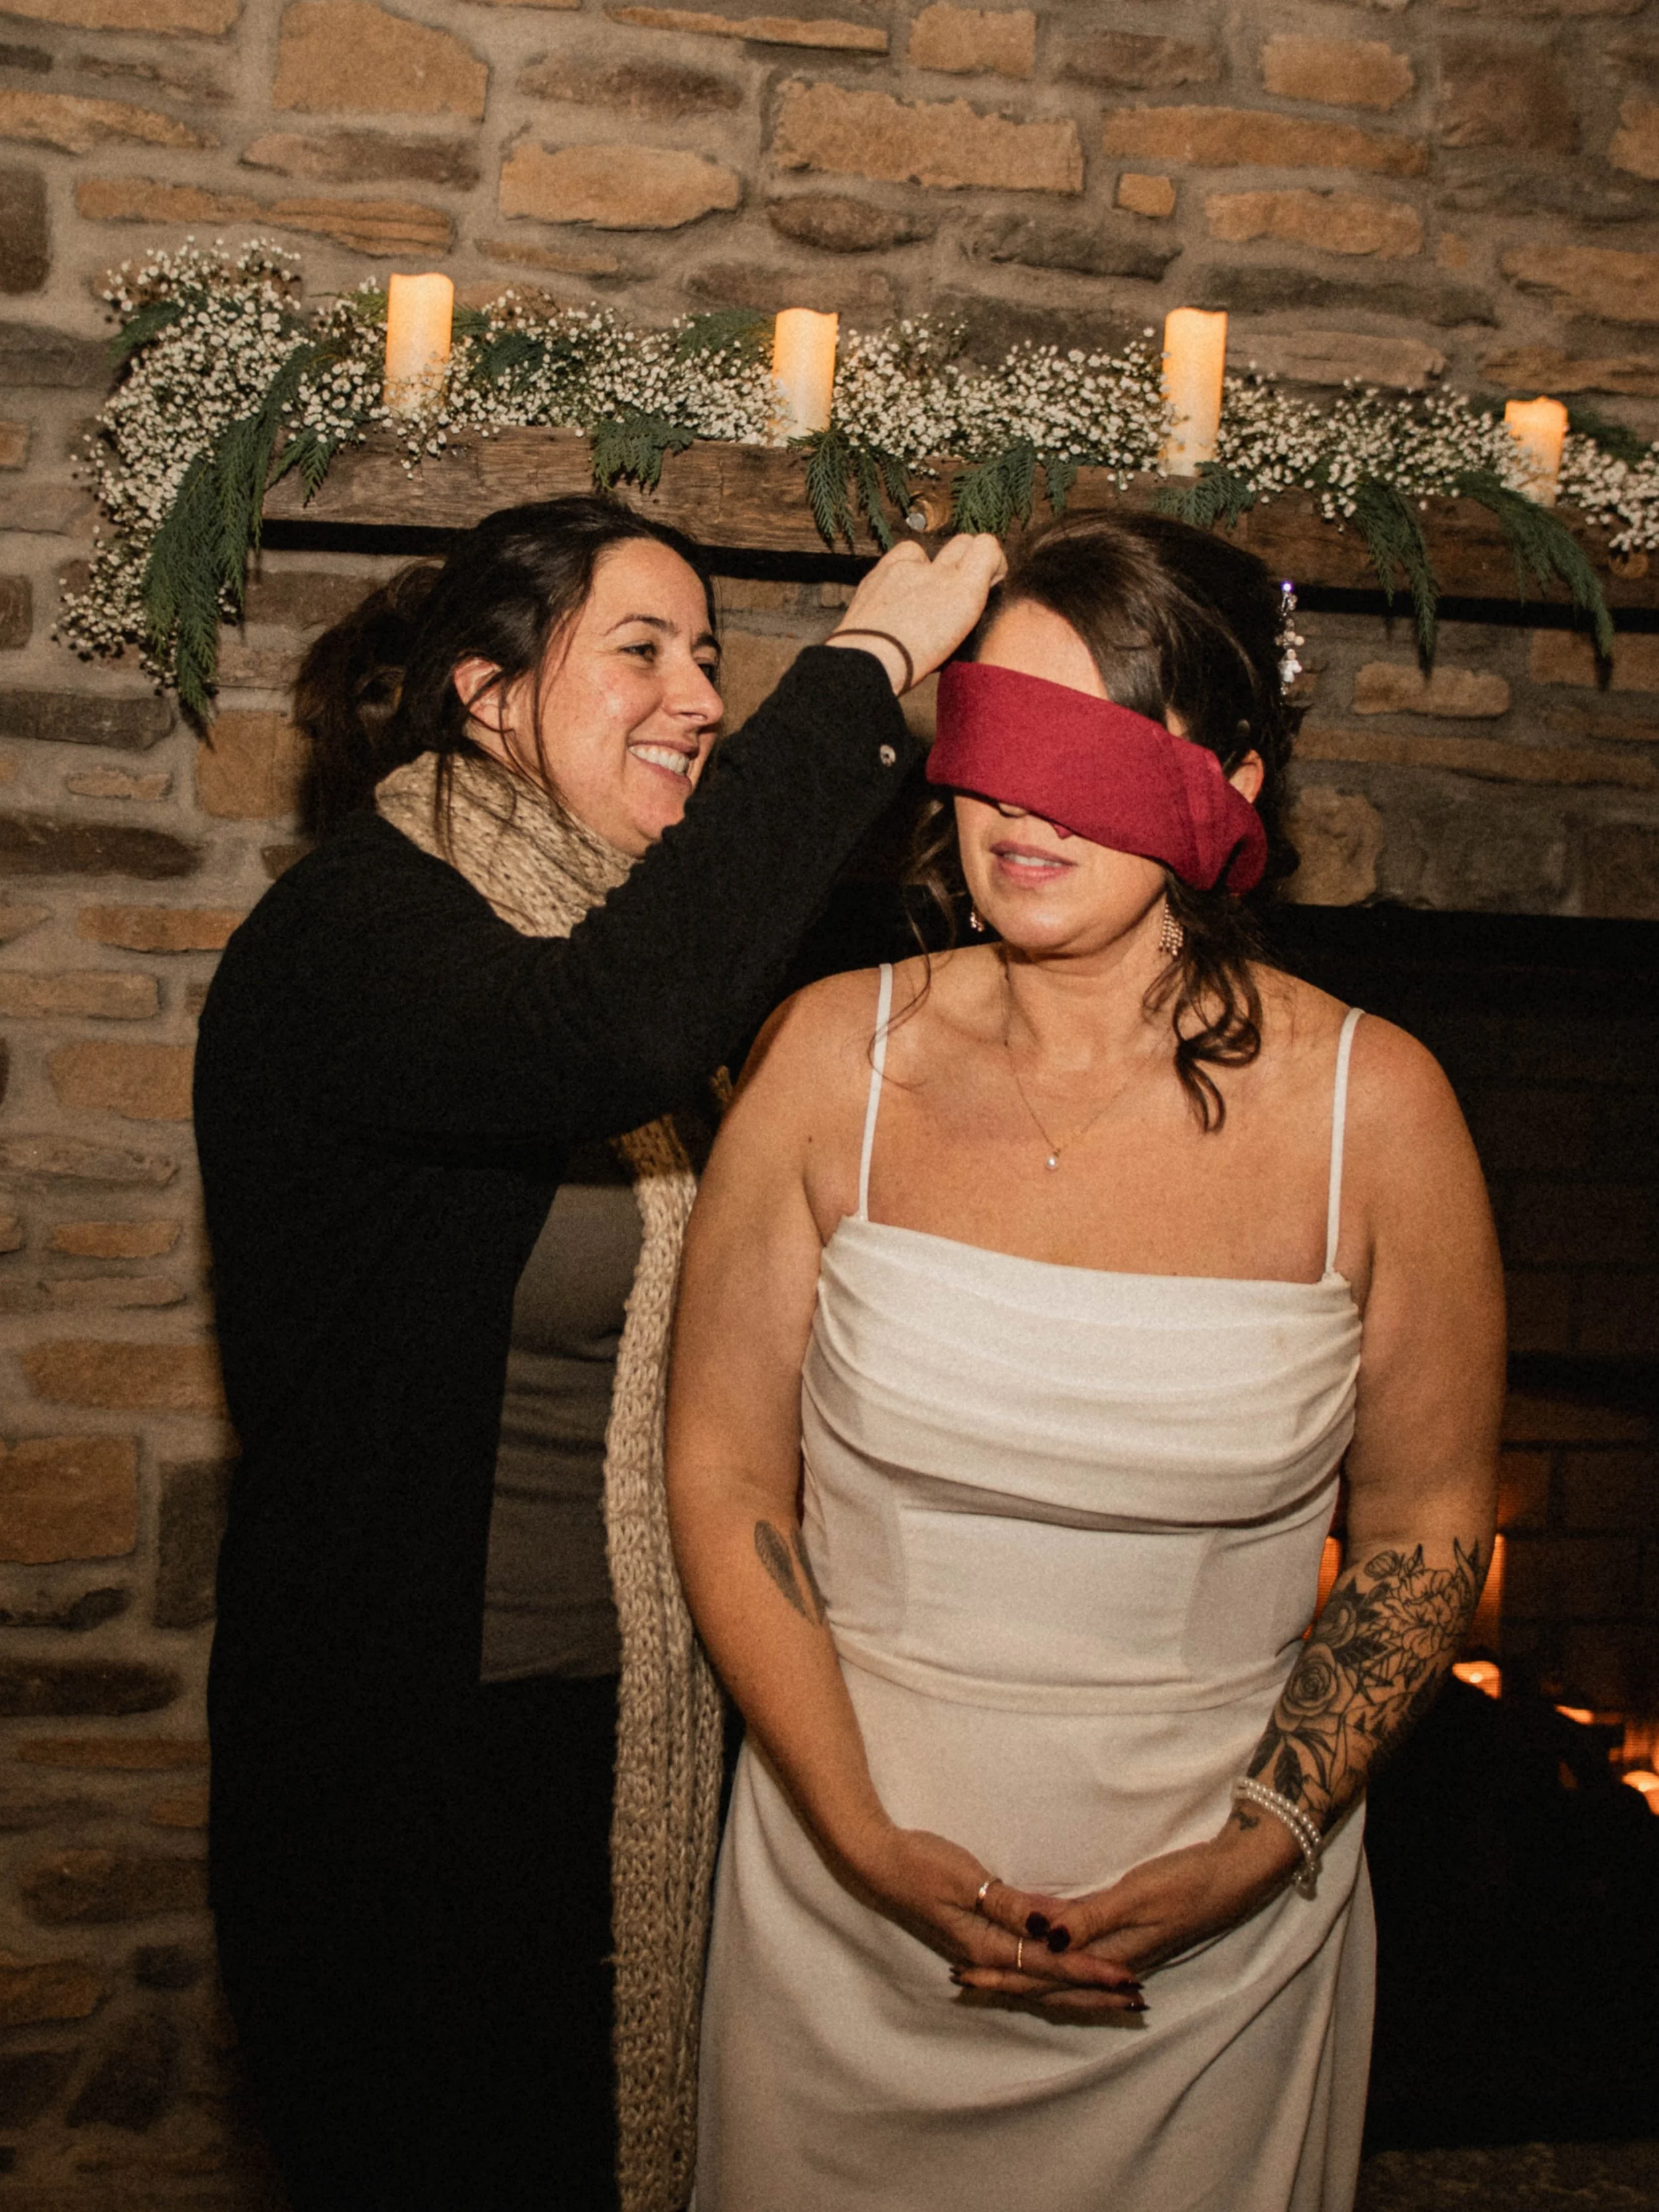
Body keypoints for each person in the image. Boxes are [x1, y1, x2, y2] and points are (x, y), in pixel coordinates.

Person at [667, 509, 1505, 2212]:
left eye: (1099, 746)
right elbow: (724, 1466)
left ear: (1233, 786)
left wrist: (1259, 1844)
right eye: (991, 739)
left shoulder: (1381, 1112)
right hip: (846, 1903)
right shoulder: (830, 1061)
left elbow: (1421, 1525)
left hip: (1214, 1944)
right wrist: (858, 1837)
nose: (1023, 803)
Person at [192, 494, 1005, 2212]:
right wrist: (859, 665)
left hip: (627, 1726)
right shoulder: (360, 934)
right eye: (639, 648)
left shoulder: (624, 939)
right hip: (411, 1763)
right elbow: (610, 1025)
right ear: (486, 698)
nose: (699, 695)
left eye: (712, 657)